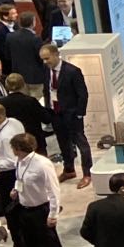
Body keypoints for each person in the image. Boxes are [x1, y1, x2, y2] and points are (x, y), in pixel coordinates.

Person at [12, 132, 67, 247]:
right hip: (25, 208)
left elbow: (54, 190)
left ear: (19, 148)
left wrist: (53, 214)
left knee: (50, 243)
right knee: (31, 243)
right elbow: (19, 179)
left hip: (41, 209)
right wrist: (16, 190)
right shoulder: (19, 161)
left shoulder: (43, 164)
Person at [39, 44, 93, 189]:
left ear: (56, 55)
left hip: (72, 114)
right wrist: (48, 108)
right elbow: (47, 90)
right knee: (63, 143)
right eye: (43, 59)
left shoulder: (72, 71)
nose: (45, 62)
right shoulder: (46, 69)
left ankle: (87, 173)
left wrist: (80, 113)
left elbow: (82, 94)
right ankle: (69, 170)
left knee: (81, 144)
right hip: (55, 114)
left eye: (47, 58)